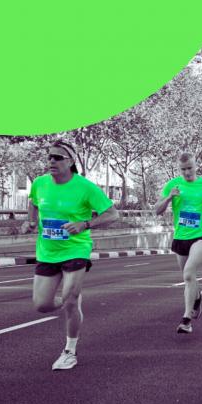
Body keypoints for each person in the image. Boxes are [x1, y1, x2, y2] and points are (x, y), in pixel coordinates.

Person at [22, 141, 119, 369]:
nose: (52, 161)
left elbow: (112, 214)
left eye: (58, 157)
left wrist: (85, 224)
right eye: (49, 157)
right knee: (42, 305)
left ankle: (70, 351)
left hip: (76, 248)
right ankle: (69, 299)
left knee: (70, 300)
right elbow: (34, 203)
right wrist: (30, 221)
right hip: (47, 251)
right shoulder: (39, 184)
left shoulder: (85, 187)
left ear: (71, 162)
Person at [155, 153, 202, 334]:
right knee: (188, 277)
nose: (187, 172)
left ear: (196, 166)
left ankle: (186, 319)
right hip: (181, 236)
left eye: (190, 168)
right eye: (183, 169)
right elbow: (157, 211)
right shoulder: (172, 185)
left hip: (201, 234)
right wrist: (169, 198)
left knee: (189, 273)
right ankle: (198, 297)